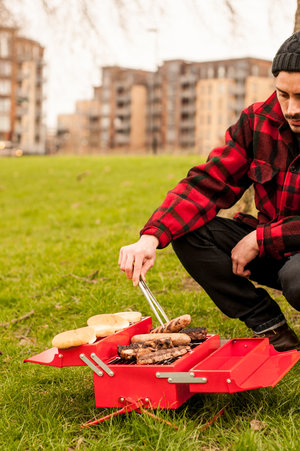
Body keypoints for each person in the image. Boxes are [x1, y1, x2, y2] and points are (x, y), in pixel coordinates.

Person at [118, 32, 300, 352]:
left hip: (291, 256)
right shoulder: (259, 119)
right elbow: (208, 183)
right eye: (283, 94)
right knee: (189, 231)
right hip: (275, 251)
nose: (292, 109)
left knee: (298, 278)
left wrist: (261, 238)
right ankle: (272, 330)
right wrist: (150, 237)